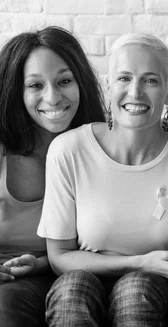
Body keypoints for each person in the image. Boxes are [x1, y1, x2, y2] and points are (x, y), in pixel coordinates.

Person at [37, 33, 168, 327]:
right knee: (72, 289)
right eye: (124, 78)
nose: (135, 92)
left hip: (159, 286)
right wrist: (138, 262)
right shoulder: (69, 150)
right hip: (83, 281)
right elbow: (60, 257)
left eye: (150, 80)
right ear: (109, 86)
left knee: (135, 290)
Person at [0, 26, 105, 326]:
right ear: (15, 91)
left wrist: (42, 263)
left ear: (80, 83)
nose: (53, 97)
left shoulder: (100, 147)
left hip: (73, 275)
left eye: (64, 81)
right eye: (35, 85)